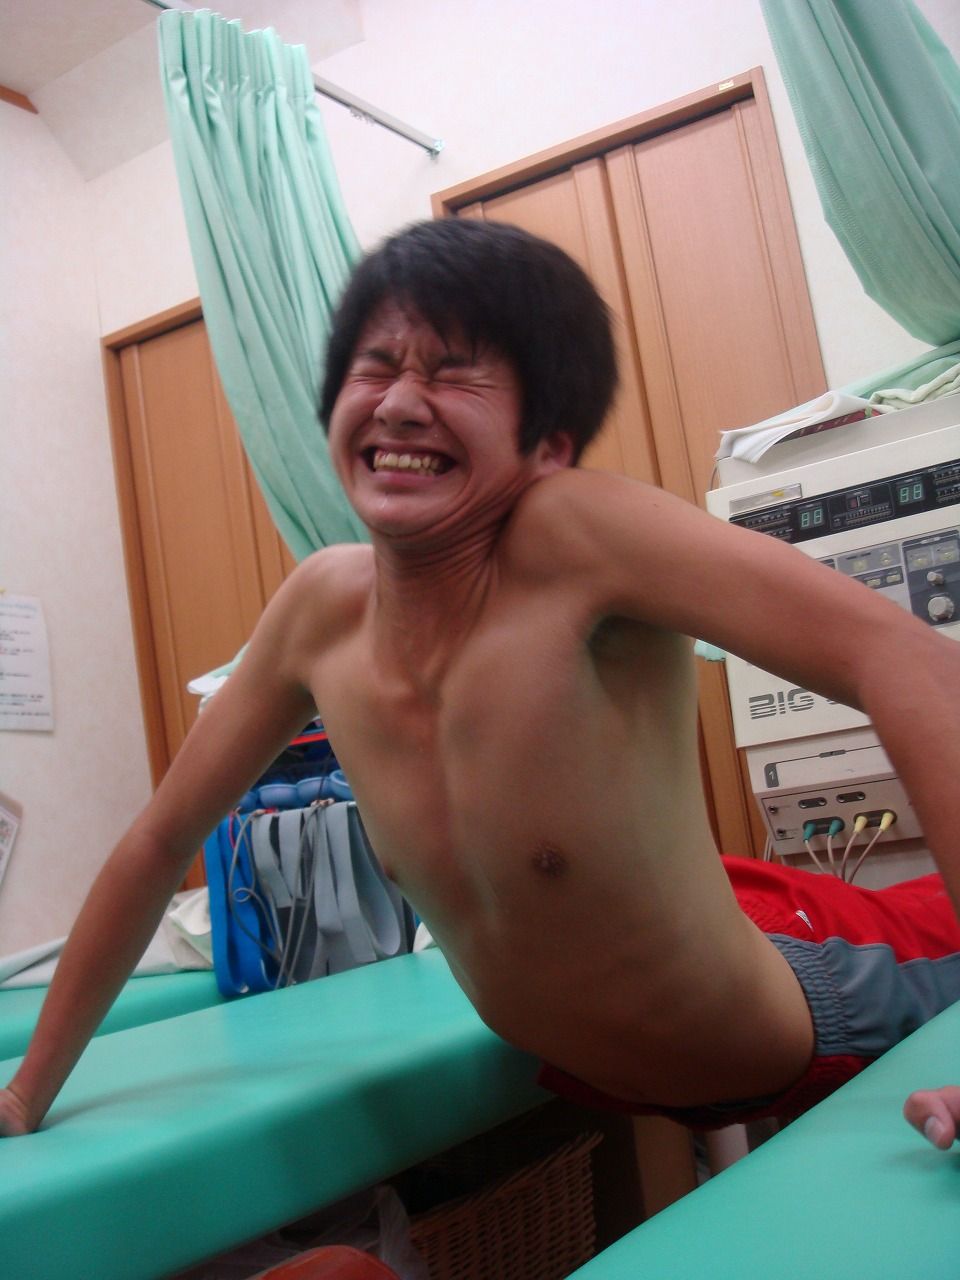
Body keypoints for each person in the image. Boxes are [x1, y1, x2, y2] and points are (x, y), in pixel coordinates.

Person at [3, 218, 960, 1142]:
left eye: (454, 370)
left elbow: (907, 660)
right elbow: (158, 839)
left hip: (823, 1000)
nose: (398, 403)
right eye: (375, 366)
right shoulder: (319, 613)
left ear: (548, 444)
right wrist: (21, 1096)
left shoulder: (572, 539)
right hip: (623, 1043)